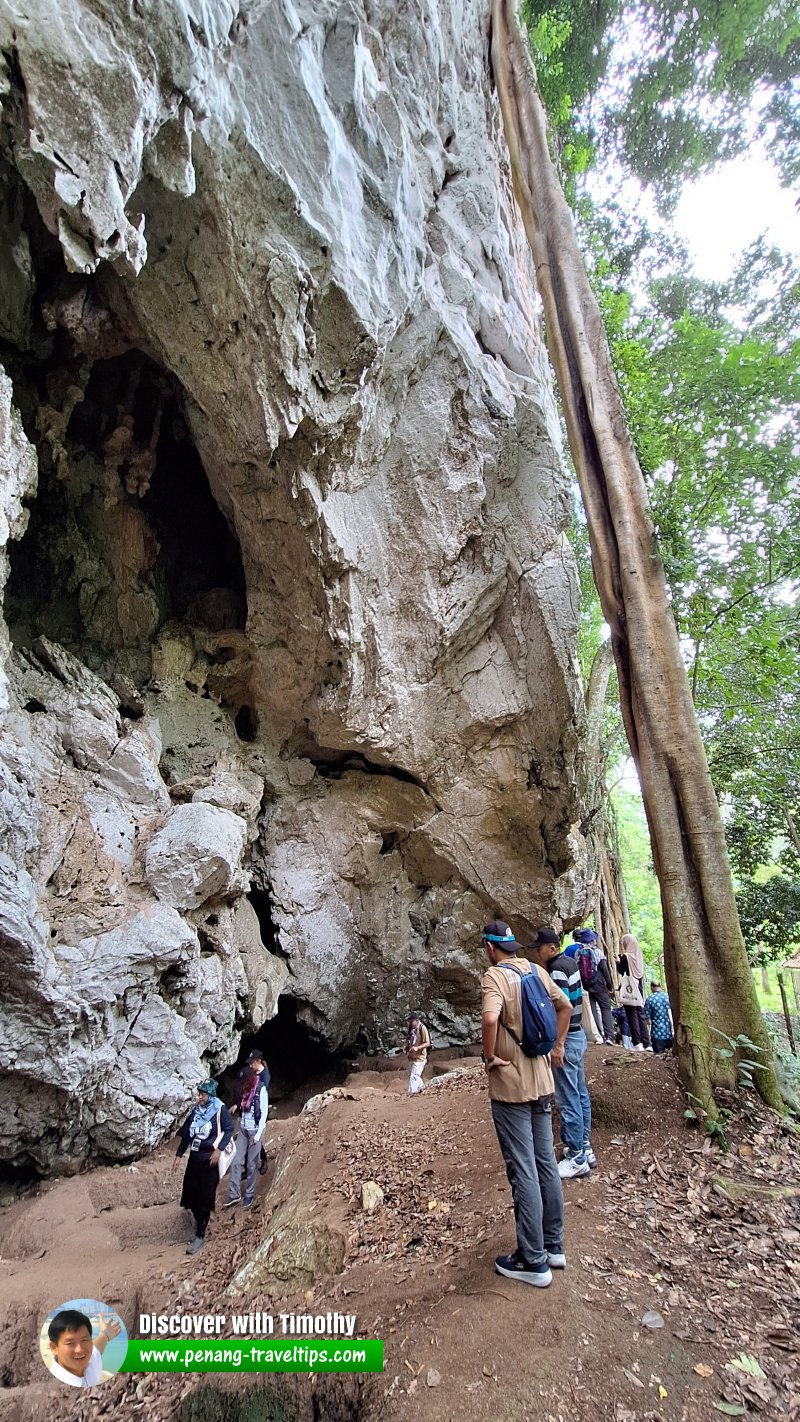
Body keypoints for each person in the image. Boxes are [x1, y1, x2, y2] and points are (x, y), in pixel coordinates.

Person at [481, 921, 572, 1287]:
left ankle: (533, 1260)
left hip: (512, 1086)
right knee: (546, 1161)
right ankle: (553, 1245)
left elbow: (490, 1018)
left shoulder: (494, 977)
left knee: (523, 1168)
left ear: (490, 948)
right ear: (513, 945)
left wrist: (489, 1056)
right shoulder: (535, 969)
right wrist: (558, 1045)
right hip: (542, 1080)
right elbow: (564, 1007)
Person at [530, 929, 594, 1176]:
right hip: (578, 1036)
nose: (538, 952)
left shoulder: (556, 968)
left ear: (552, 948)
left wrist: (558, 1044)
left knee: (567, 1099)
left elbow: (563, 1008)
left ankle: (576, 1156)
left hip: (568, 1039)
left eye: (541, 948)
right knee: (580, 1094)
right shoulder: (570, 961)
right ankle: (585, 1147)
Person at [173, 1079, 233, 1255]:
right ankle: (198, 1220)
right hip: (195, 1158)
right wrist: (179, 1154)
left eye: (202, 1094)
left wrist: (219, 1150)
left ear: (210, 1095)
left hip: (209, 1160)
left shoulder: (219, 1110)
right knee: (190, 1193)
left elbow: (229, 1129)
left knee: (204, 1197)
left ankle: (200, 1234)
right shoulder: (196, 1111)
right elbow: (187, 1134)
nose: (199, 1097)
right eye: (199, 1094)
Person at [224, 1057, 269, 1209]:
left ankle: (249, 1194)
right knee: (236, 1161)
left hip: (255, 1130)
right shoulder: (244, 1090)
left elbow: (264, 1114)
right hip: (243, 1129)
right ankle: (234, 1193)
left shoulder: (261, 1089)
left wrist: (257, 1137)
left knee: (251, 1164)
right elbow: (243, 1106)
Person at [47, 1309, 121, 1388]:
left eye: (84, 1340)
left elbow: (96, 1348)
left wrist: (106, 1334)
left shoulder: (90, 1363)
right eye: (70, 1343)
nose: (80, 1350)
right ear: (54, 1348)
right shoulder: (56, 1386)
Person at [230, 1049, 271, 1177]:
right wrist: (239, 1104)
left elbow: (259, 1094)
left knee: (255, 1138)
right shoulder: (252, 1072)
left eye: (252, 1063)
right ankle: (247, 1169)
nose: (250, 1066)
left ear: (258, 1061)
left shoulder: (265, 1076)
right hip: (246, 1108)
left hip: (257, 1111)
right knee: (248, 1137)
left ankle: (263, 1160)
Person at [579, 930, 616, 1044]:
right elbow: (604, 969)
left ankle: (598, 1035)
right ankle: (610, 1036)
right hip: (599, 984)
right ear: (592, 940)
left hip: (586, 985)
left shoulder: (579, 953)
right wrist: (610, 985)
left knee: (592, 1009)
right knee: (605, 1009)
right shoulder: (597, 952)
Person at [618, 933, 652, 1051]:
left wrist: (618, 960)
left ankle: (637, 1043)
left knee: (631, 1015)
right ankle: (647, 1044)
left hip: (629, 989)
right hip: (639, 988)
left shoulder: (626, 957)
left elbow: (621, 970)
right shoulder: (639, 956)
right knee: (640, 1014)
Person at [644, 981, 674, 1053]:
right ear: (660, 986)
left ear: (651, 987)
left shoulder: (650, 999)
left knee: (659, 1058)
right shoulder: (668, 997)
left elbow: (648, 1021)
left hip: (657, 1034)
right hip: (670, 1033)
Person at [405, 1012, 430, 1094]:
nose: (411, 1023)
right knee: (415, 1076)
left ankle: (411, 1093)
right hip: (412, 1057)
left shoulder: (422, 1028)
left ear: (416, 1020)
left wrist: (417, 1048)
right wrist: (407, 1048)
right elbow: (410, 1041)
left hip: (420, 1057)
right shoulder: (411, 1030)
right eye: (410, 1022)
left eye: (412, 1021)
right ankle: (423, 1089)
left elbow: (427, 1043)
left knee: (414, 1076)